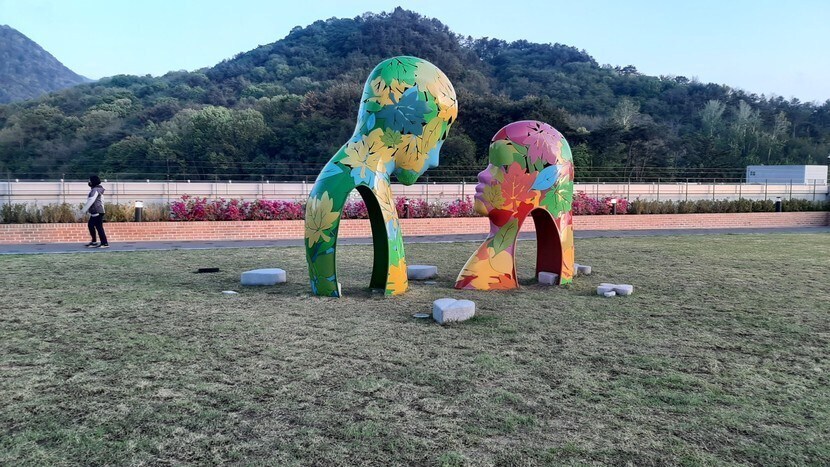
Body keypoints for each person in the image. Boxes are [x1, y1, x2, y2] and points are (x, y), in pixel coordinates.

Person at [81, 175, 109, 248]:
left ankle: (104, 243)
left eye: (89, 180)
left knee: (98, 227)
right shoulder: (96, 189)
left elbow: (91, 200)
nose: (88, 182)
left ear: (93, 181)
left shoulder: (95, 190)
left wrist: (83, 211)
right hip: (96, 211)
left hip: (97, 211)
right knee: (91, 225)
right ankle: (95, 242)